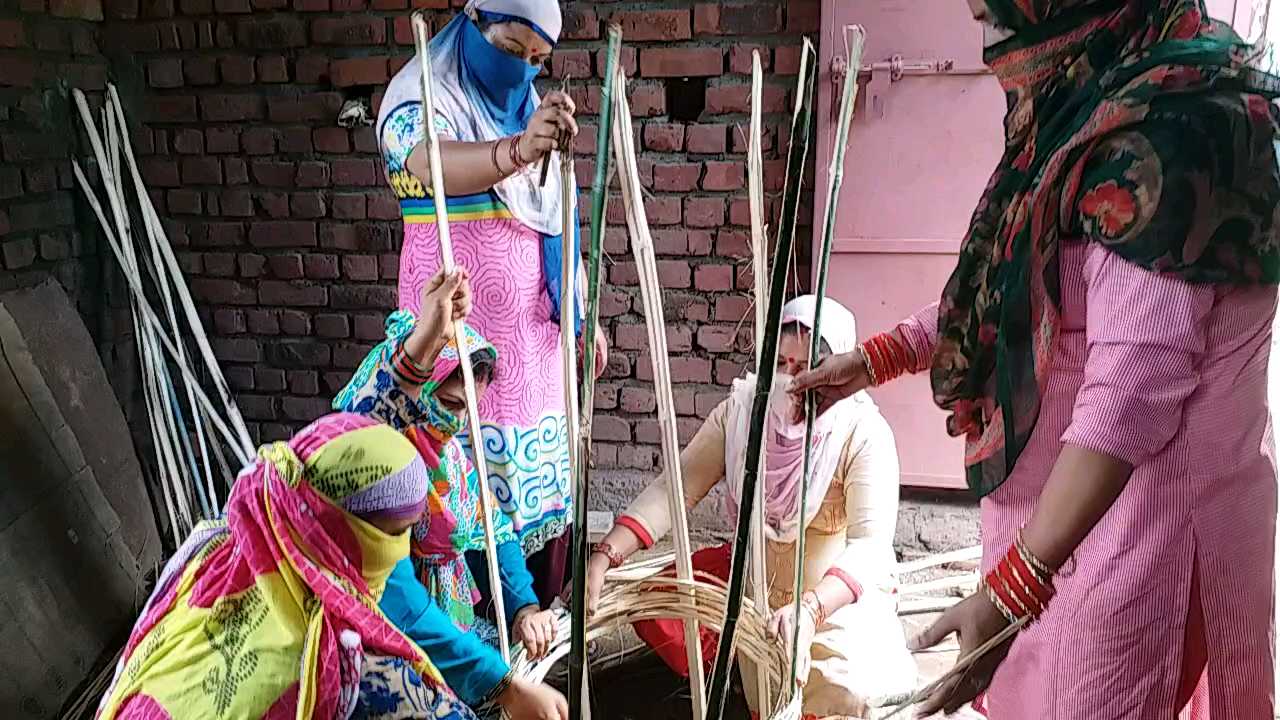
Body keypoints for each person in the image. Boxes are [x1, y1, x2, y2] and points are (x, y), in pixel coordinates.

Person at [790, 2, 1280, 718]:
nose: (984, 18)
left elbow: (1130, 398)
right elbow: (1026, 292)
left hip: (1144, 529)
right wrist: (873, 360)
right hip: (1070, 522)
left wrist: (1010, 593)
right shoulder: (1094, 100)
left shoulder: (1175, 133)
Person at [585, 296, 918, 718]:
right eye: (780, 363)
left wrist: (811, 608)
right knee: (769, 696)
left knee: (841, 694)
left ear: (836, 372)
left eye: (805, 368)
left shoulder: (861, 432)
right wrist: (606, 555)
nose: (790, 380)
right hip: (760, 606)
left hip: (836, 607)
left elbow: (870, 548)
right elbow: (676, 488)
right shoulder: (742, 415)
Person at [378, 0, 602, 604]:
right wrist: (516, 151)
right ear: (472, 19)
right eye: (510, 50)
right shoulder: (419, 96)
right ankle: (483, 640)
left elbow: (555, 216)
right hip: (461, 334)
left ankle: (535, 623)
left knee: (536, 494)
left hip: (535, 344)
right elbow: (427, 162)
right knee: (464, 480)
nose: (523, 72)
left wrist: (579, 312)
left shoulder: (527, 108)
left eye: (537, 60)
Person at [94, 411, 477, 720]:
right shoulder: (348, 672)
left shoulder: (207, 553)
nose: (401, 552)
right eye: (397, 534)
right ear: (339, 533)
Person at [335, 268, 568, 720]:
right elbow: (401, 607)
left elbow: (492, 531)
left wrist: (524, 608)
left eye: (470, 410)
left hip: (439, 621)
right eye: (451, 405)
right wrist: (504, 686)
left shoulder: (450, 463)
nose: (459, 424)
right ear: (417, 394)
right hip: (370, 638)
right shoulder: (372, 471)